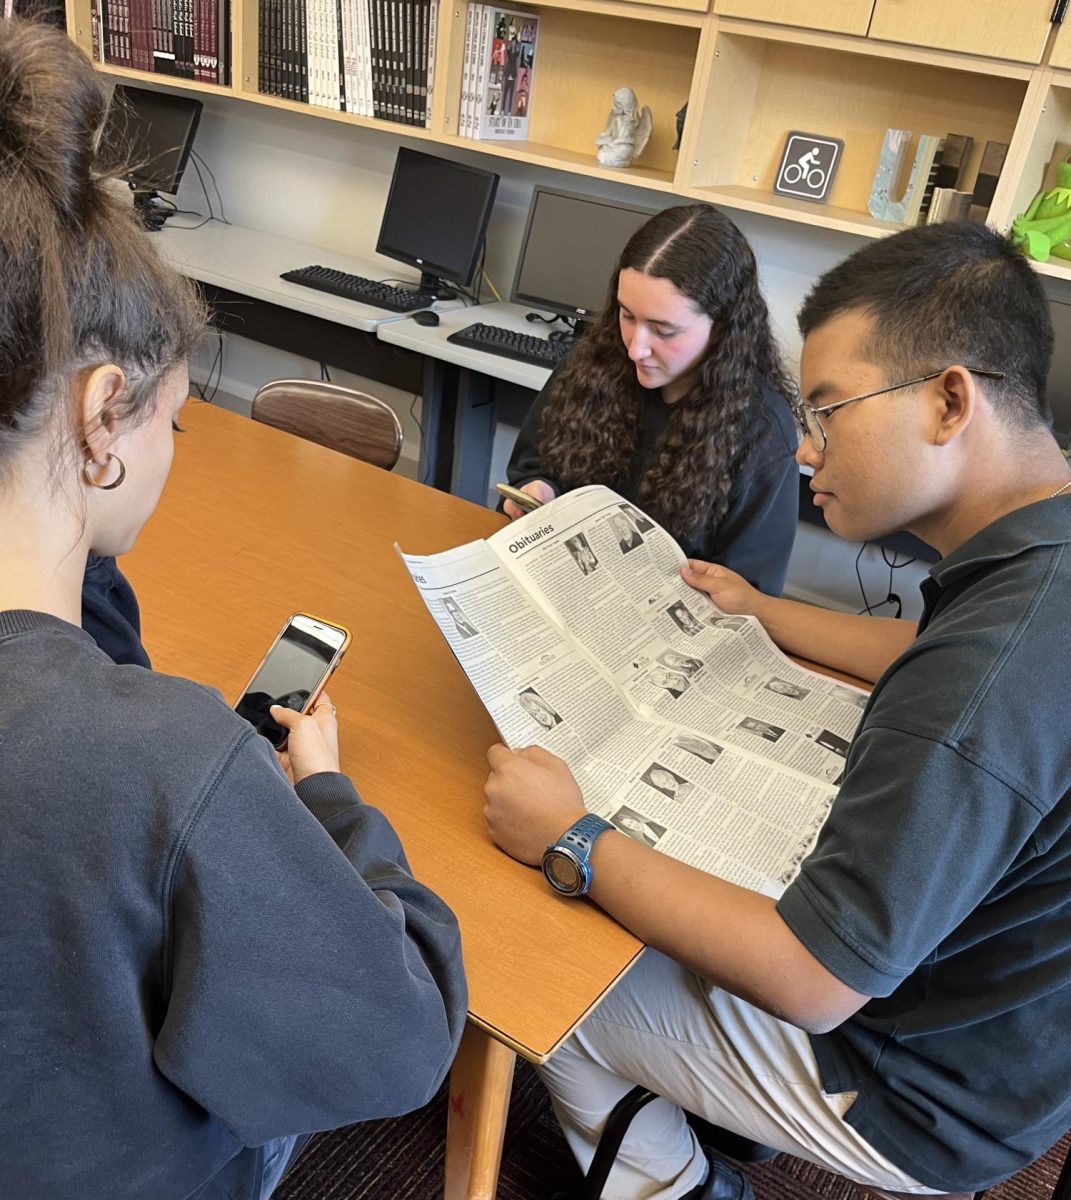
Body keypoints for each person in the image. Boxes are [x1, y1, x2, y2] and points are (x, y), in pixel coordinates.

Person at [484, 220, 1071, 1199]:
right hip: (1007, 1026)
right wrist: (763, 611)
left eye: (833, 409)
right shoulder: (1037, 552)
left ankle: (693, 1184)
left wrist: (573, 835)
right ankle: (720, 1101)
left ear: (948, 401)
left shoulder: (988, 671)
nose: (808, 444)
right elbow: (922, 651)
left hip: (918, 1084)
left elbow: (814, 978)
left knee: (551, 990)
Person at [0, 21, 467, 1200]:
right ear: (104, 414)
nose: (171, 448)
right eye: (175, 418)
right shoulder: (168, 763)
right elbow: (404, 1036)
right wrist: (325, 798)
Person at [503, 204, 800, 596]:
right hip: (563, 586)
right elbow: (532, 465)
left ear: (723, 328)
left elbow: (751, 593)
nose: (635, 349)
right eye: (627, 316)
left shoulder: (762, 429)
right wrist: (539, 490)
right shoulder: (595, 360)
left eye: (663, 330)